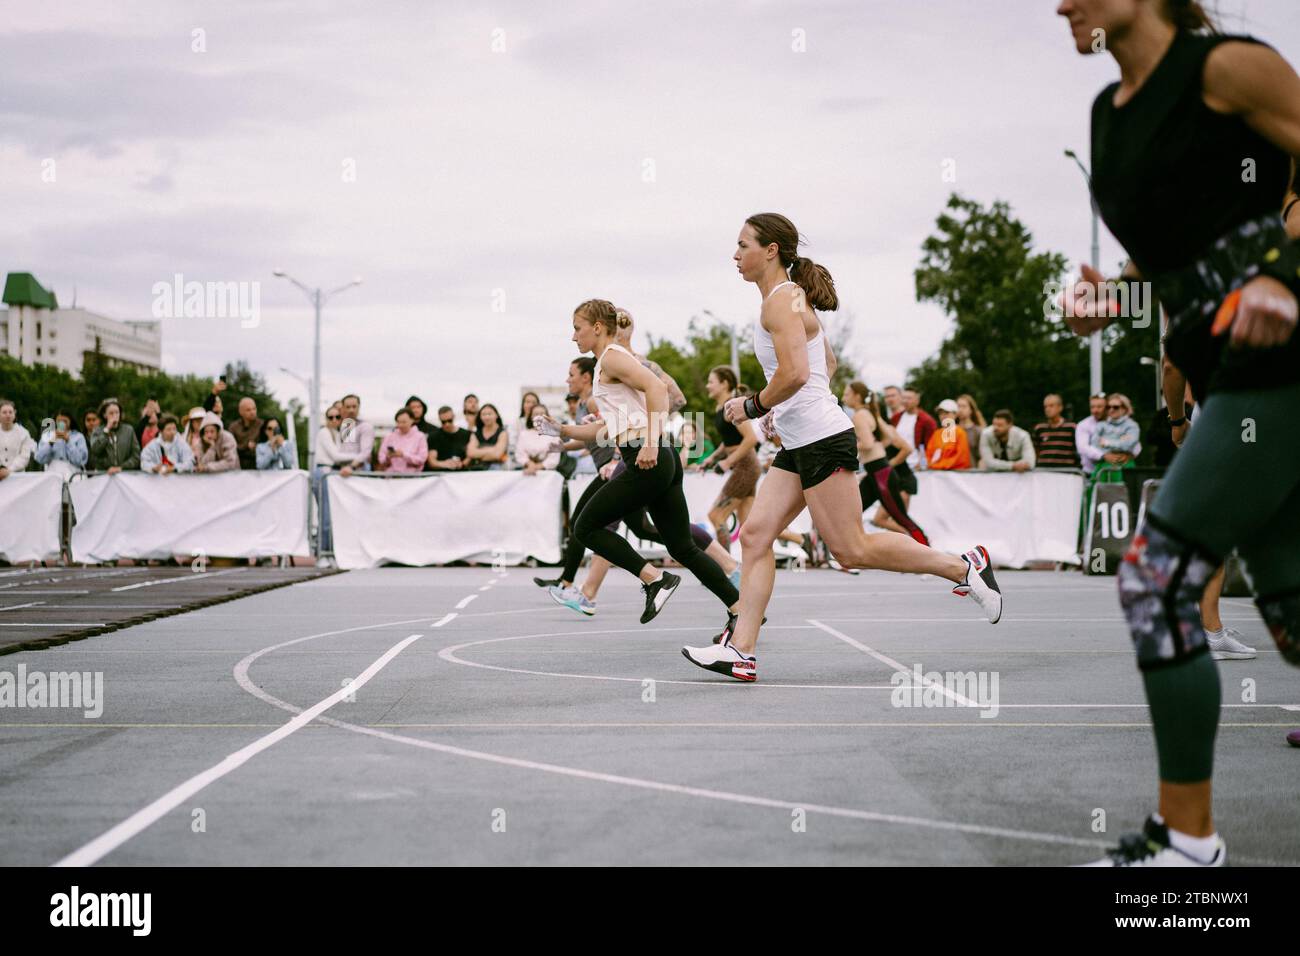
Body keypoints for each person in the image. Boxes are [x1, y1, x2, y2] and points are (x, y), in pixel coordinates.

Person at [1059, 0, 1300, 865]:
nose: (1059, 3)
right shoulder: (1107, 115)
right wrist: (1108, 299)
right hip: (1221, 377)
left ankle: (1186, 841)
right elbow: (1162, 252)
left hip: (1281, 366)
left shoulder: (1229, 69)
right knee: (1292, 617)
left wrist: (1285, 277)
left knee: (1156, 585)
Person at [681, 213, 1001, 681]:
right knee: (754, 535)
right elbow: (823, 363)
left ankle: (962, 565)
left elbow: (793, 374)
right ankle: (741, 651)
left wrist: (751, 406)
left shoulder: (781, 301)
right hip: (801, 437)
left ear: (770, 250)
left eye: (743, 244)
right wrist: (781, 411)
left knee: (850, 549)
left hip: (822, 439)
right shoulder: (787, 299)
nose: (735, 254)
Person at [535, 300, 741, 628]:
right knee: (681, 546)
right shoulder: (608, 362)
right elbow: (606, 430)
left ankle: (654, 580)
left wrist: (649, 441)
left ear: (598, 328)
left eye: (577, 328)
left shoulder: (612, 357)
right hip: (657, 455)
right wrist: (561, 429)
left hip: (649, 456)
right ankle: (739, 610)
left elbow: (658, 388)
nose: (573, 336)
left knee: (585, 527)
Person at [844, 382, 929, 545]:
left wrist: (846, 446)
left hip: (881, 474)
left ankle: (928, 549)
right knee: (851, 513)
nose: (843, 398)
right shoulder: (869, 413)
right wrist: (879, 446)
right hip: (876, 472)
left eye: (847, 394)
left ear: (857, 396)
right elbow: (889, 437)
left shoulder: (860, 415)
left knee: (901, 518)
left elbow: (867, 444)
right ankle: (849, 552)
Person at [692, 367, 762, 551]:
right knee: (748, 525)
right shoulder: (720, 408)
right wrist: (713, 458)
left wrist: (727, 462)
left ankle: (728, 569)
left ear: (724, 384)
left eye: (711, 382)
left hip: (746, 466)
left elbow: (751, 439)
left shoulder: (731, 406)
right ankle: (748, 569)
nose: (707, 386)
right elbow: (729, 441)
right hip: (744, 465)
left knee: (716, 516)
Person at [1091, 392, 1140, 475]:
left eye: (1115, 407)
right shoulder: (1101, 425)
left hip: (1125, 465)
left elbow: (1128, 445)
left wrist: (1107, 442)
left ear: (1125, 409)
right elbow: (1094, 444)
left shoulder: (1132, 425)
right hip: (1104, 466)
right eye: (1108, 407)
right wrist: (1119, 441)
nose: (1111, 410)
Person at [88, 398, 141, 474]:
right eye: (111, 413)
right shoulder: (97, 431)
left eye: (117, 412)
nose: (115, 416)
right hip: (104, 475)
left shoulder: (129, 430)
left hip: (124, 475)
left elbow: (136, 456)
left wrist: (121, 467)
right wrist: (106, 431)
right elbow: (95, 451)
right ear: (104, 415)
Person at [34, 411, 88, 479]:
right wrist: (50, 443)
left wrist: (68, 441)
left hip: (73, 475)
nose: (62, 423)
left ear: (70, 421)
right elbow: (39, 458)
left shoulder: (78, 436)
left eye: (65, 421)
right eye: (59, 421)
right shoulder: (48, 435)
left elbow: (80, 461)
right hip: (53, 475)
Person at [1033, 393, 1081, 468]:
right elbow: (1036, 451)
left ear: (1060, 407)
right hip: (1044, 472)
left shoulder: (1071, 427)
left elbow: (1078, 450)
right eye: (1045, 406)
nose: (1047, 409)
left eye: (1051, 406)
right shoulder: (1039, 428)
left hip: (1066, 473)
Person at [924, 398, 972, 471]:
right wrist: (932, 465)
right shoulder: (936, 434)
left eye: (946, 413)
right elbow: (928, 454)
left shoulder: (960, 433)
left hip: (954, 476)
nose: (943, 416)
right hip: (935, 474)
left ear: (955, 414)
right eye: (940, 413)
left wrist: (937, 466)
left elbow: (961, 459)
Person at [378, 408, 429, 474]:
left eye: (404, 422)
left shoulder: (420, 437)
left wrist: (403, 455)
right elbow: (381, 459)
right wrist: (388, 457)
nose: (400, 425)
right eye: (398, 422)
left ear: (412, 420)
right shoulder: (389, 437)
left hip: (412, 478)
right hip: (391, 477)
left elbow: (422, 459)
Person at [515, 404, 561, 474]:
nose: (539, 417)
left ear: (547, 417)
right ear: (531, 417)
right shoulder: (523, 434)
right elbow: (520, 455)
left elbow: (554, 459)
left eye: (542, 414)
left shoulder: (554, 435)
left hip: (547, 474)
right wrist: (529, 464)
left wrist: (536, 467)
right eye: (536, 414)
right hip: (527, 472)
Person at [336, 394, 375, 476]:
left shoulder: (366, 426)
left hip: (359, 471)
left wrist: (351, 467)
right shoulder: (344, 425)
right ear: (342, 408)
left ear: (359, 407)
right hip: (341, 471)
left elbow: (365, 452)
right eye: (348, 407)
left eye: (354, 407)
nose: (351, 410)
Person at [1074, 392, 1110, 475]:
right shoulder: (1083, 424)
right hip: (1090, 473)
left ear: (1107, 407)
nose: (1095, 410)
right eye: (1092, 407)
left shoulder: (1115, 422)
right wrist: (1103, 456)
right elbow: (1082, 447)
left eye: (1099, 407)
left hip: (1114, 471)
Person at [427, 405, 471, 471]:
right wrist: (445, 464)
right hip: (442, 475)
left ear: (454, 417)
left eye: (450, 420)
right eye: (443, 422)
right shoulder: (434, 437)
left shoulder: (466, 434)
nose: (447, 424)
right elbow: (432, 462)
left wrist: (462, 464)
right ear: (439, 420)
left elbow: (471, 456)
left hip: (462, 474)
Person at [466, 403, 509, 470]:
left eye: (489, 414)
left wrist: (478, 454)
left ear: (496, 415)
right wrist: (492, 450)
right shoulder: (476, 433)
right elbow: (470, 453)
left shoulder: (502, 433)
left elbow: (497, 454)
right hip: (478, 467)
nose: (487, 417)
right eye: (484, 414)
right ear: (480, 417)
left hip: (498, 467)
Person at [0, 399, 35, 480]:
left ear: (14, 413)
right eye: (4, 412)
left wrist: (8, 470)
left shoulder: (24, 433)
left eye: (10, 412)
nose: (8, 415)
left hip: (18, 479)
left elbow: (25, 457)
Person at [227, 397, 263, 470]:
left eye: (254, 408)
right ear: (240, 412)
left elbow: (265, 448)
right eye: (248, 410)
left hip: (258, 467)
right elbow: (230, 448)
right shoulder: (233, 427)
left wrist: (255, 447)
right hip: (238, 467)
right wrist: (246, 446)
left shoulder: (262, 425)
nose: (252, 412)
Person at [956, 393, 986, 468]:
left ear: (971, 410)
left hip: (971, 474)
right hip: (953, 474)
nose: (960, 410)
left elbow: (982, 458)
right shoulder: (951, 431)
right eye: (958, 406)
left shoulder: (979, 431)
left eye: (964, 406)